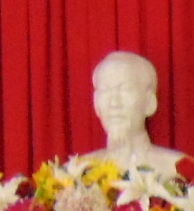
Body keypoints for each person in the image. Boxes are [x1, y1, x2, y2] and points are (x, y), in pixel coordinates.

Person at [65, 50, 187, 178]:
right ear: (96, 103)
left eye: (125, 90)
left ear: (150, 102)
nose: (114, 103)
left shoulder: (178, 168)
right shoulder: (74, 175)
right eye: (105, 91)